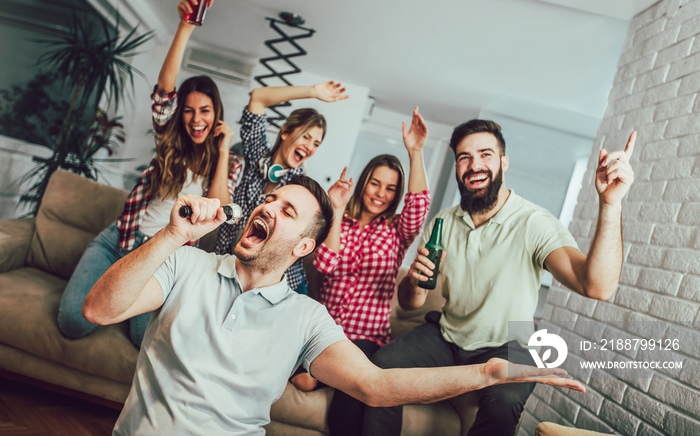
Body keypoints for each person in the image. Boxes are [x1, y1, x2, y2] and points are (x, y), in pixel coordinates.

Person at [82, 175, 586, 435]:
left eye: (287, 210)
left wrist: (488, 375)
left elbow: (376, 385)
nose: (266, 208)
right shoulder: (185, 264)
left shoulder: (305, 317)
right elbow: (100, 311)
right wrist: (173, 235)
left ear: (303, 247)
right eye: (269, 200)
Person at [356, 120, 636, 435]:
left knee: (505, 400)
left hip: (511, 342)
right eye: (465, 157)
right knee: (381, 367)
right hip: (448, 335)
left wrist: (610, 205)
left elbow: (596, 286)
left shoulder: (533, 222)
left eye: (485, 154)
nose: (475, 164)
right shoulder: (443, 222)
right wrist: (415, 283)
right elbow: (409, 304)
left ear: (503, 161)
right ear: (457, 165)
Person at [57, 0, 236, 347]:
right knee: (73, 323)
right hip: (119, 240)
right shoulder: (169, 141)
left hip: (162, 256)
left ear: (216, 113)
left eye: (204, 111)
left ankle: (116, 301)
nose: (196, 119)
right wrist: (185, 27)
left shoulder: (225, 161)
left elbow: (220, 205)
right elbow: (165, 88)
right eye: (188, 111)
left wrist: (224, 149)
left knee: (143, 339)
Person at [293, 108, 431, 435]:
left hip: (366, 340)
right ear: (364, 182)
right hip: (324, 331)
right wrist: (337, 209)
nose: (380, 194)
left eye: (390, 189)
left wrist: (415, 151)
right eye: (375, 184)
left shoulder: (397, 230)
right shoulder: (340, 220)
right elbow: (326, 264)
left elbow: (419, 206)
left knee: (350, 396)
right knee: (303, 380)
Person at [214, 79, 349, 294]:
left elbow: (327, 259)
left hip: (281, 286)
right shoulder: (256, 155)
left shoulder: (302, 190)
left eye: (316, 143)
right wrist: (312, 90)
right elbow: (258, 97)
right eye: (306, 136)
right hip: (229, 266)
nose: (310, 147)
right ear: (285, 132)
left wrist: (336, 206)